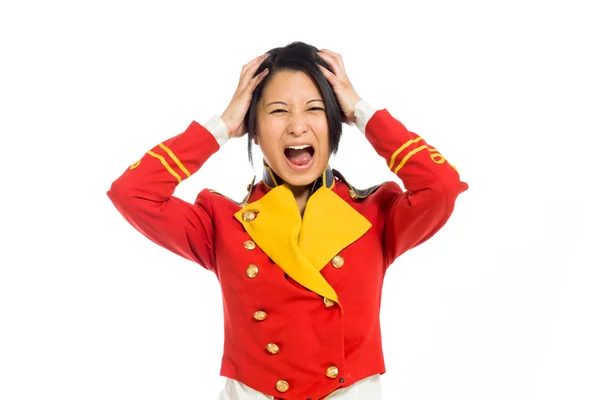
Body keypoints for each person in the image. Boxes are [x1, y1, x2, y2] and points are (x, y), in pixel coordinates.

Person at [107, 41, 469, 400]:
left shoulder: (374, 214)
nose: (298, 126)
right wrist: (220, 127)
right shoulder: (222, 223)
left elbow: (441, 187)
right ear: (253, 128)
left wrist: (363, 113)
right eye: (278, 111)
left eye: (314, 109)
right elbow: (132, 193)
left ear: (334, 121)